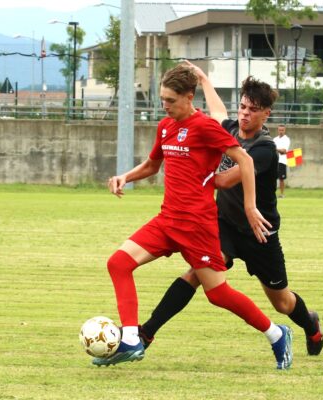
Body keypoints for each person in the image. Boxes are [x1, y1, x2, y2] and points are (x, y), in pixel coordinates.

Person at [95, 64, 294, 370]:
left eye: (171, 100)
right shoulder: (165, 126)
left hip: (198, 226)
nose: (165, 105)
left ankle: (276, 333)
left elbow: (243, 159)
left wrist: (250, 206)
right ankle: (132, 338)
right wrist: (125, 176)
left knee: (218, 294)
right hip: (167, 221)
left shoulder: (205, 127)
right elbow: (152, 165)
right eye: (162, 99)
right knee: (118, 263)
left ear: (189, 97)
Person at [139, 63, 323, 362]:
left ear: (266, 114)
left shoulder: (263, 149)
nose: (245, 113)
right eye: (242, 106)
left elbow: (223, 180)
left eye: (253, 109)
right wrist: (202, 77)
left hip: (259, 233)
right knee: (196, 274)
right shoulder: (230, 129)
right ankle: (146, 332)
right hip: (224, 226)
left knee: (282, 302)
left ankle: (310, 324)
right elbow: (218, 110)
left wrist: (192, 166)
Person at [273, 124, 291, 198]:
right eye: (280, 130)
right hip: (274, 161)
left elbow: (284, 151)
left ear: (285, 130)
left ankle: (282, 194)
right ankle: (272, 194)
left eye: (282, 130)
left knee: (281, 178)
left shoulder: (286, 139)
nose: (281, 131)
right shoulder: (275, 139)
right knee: (273, 178)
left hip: (282, 161)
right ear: (278, 130)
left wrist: (276, 149)